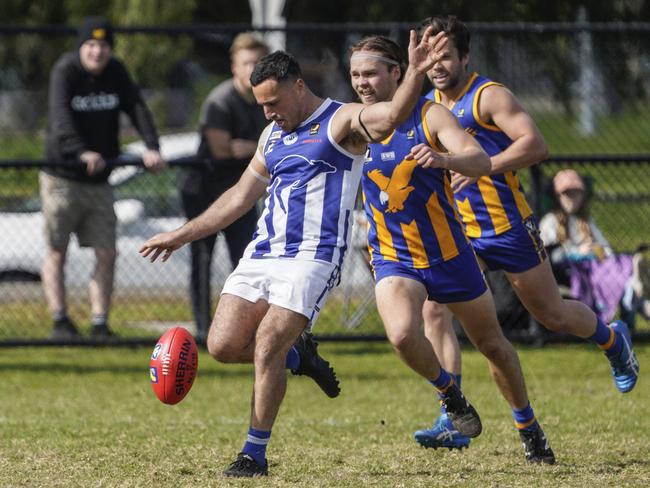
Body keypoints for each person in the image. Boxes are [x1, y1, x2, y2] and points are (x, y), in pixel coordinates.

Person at [140, 28, 448, 477]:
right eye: (261, 105)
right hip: (264, 254)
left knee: (267, 344)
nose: (268, 113)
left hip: (314, 257)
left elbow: (390, 119)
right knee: (223, 345)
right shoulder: (271, 136)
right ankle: (299, 356)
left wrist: (416, 72)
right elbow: (239, 198)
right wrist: (180, 234)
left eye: (273, 103)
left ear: (298, 86)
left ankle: (253, 454)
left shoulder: (341, 121)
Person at [412, 15, 639, 453]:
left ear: (465, 56)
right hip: (460, 232)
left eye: (445, 57)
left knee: (551, 315)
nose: (437, 66)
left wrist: (477, 166)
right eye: (430, 58)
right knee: (434, 310)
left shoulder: (488, 96)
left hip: (507, 226)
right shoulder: (428, 105)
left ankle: (613, 339)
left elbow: (535, 145)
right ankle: (452, 413)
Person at [350, 34, 554, 464]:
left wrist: (444, 160)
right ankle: (451, 396)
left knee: (493, 345)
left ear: (395, 73)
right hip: (394, 257)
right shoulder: (356, 123)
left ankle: (528, 425)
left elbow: (479, 161)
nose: (362, 82)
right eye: (354, 74)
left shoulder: (432, 115)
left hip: (450, 255)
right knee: (403, 334)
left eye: (370, 73)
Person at [42, 16, 165, 340]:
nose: (97, 52)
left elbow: (136, 106)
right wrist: (81, 152)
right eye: (91, 45)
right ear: (81, 47)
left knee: (107, 252)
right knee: (57, 251)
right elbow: (60, 118)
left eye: (104, 46)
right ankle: (60, 321)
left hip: (100, 181)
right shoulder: (65, 70)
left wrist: (152, 146)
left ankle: (100, 324)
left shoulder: (116, 72)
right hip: (63, 178)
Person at [177, 33, 270, 343]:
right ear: (234, 67)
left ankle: (244, 329)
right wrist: (258, 147)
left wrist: (245, 148)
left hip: (241, 192)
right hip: (203, 190)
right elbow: (221, 149)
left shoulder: (266, 99)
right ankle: (203, 329)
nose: (252, 68)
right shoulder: (220, 100)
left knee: (245, 260)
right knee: (202, 259)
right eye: (246, 62)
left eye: (258, 62)